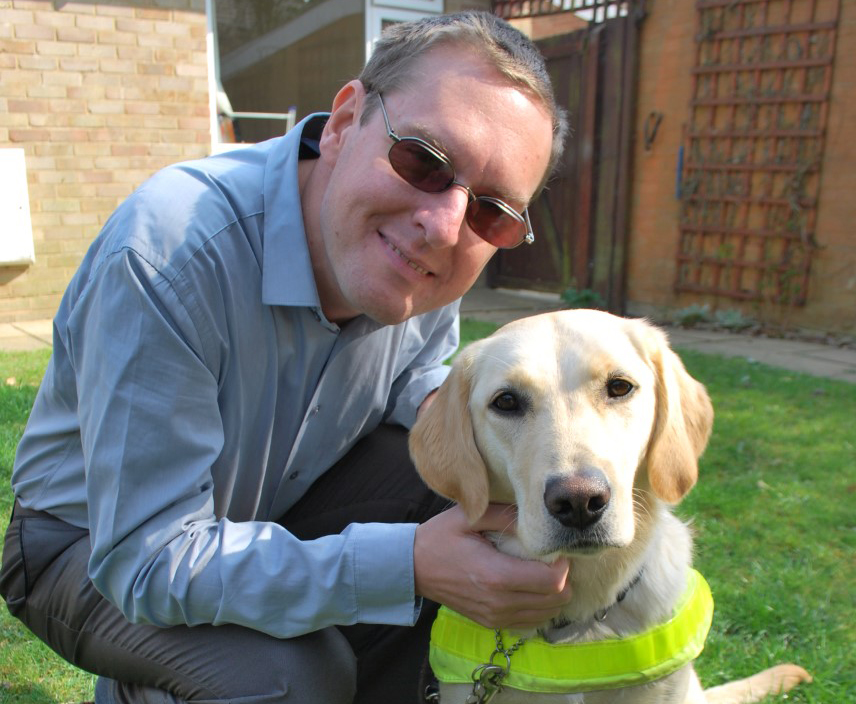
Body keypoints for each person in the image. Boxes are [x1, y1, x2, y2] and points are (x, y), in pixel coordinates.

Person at [1, 11, 571, 704]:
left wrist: (467, 420)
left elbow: (417, 378)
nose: (444, 227)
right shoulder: (170, 253)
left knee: (462, 468)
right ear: (343, 122)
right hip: (91, 548)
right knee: (292, 678)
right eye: (424, 160)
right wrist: (409, 564)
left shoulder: (422, 264)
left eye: (490, 213)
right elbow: (146, 560)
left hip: (273, 508)